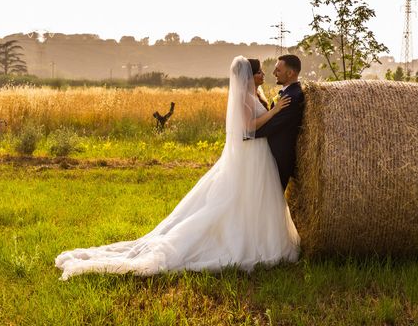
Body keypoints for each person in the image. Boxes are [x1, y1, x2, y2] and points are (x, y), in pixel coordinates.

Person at [54, 56, 300, 280]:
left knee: (250, 202)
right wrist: (276, 111)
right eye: (260, 73)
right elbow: (248, 128)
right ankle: (245, 244)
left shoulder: (256, 96)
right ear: (250, 76)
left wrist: (273, 108)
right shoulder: (243, 98)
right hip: (250, 157)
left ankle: (254, 238)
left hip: (257, 157)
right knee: (233, 203)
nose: (265, 75)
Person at [255, 55, 304, 191]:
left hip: (280, 158)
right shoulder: (288, 93)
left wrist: (247, 133)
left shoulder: (293, 97)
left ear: (290, 73)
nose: (274, 73)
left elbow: (273, 125)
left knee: (271, 199)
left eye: (278, 70)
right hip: (271, 156)